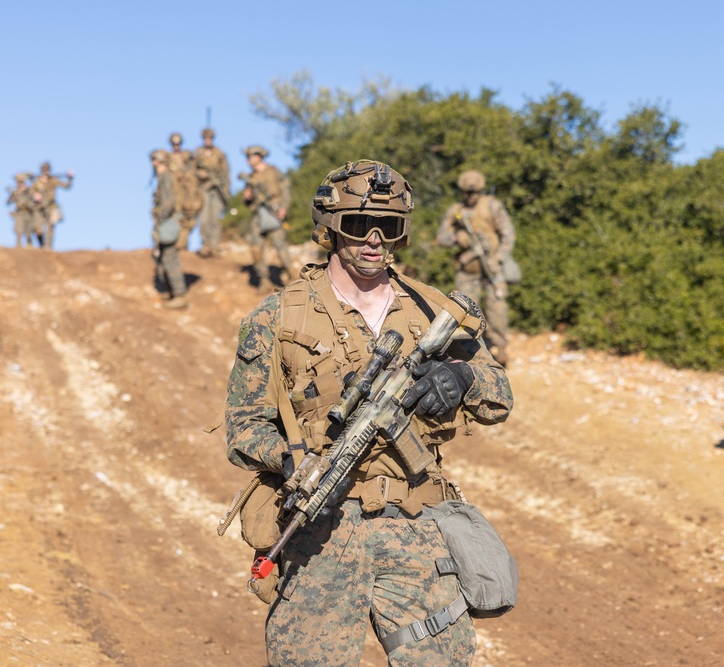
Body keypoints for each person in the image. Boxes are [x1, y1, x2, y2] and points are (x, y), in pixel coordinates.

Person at [225, 160, 513, 666]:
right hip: (320, 531)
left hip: (416, 522)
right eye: (359, 225)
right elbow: (243, 427)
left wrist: (462, 378)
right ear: (331, 228)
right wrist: (291, 461)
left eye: (389, 226)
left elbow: (499, 396)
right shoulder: (277, 316)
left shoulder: (432, 310)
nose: (373, 239)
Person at [436, 170, 516, 367]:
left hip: (491, 268)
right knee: (465, 311)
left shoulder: (492, 206)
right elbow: (442, 237)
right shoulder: (456, 210)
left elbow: (509, 235)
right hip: (467, 271)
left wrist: (497, 258)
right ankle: (467, 352)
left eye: (474, 192)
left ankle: (500, 348)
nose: (471, 196)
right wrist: (456, 238)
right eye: (467, 192)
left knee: (497, 309)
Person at [241, 145, 295, 290]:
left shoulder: (273, 171)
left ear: (258, 156)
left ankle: (291, 277)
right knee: (256, 248)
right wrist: (247, 197)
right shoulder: (250, 178)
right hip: (258, 215)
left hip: (274, 212)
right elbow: (248, 202)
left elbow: (285, 189)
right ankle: (263, 279)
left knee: (280, 246)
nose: (248, 160)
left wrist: (284, 207)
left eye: (250, 157)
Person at [150, 150, 188, 310]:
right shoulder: (169, 177)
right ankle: (174, 293)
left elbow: (168, 203)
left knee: (170, 257)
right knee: (165, 256)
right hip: (172, 221)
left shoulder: (166, 177)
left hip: (169, 222)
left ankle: (179, 295)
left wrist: (160, 218)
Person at [193, 127, 230, 257]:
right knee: (203, 219)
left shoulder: (219, 153)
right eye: (206, 138)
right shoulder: (197, 154)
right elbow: (191, 171)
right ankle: (205, 244)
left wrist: (226, 191)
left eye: (210, 138)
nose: (208, 141)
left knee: (215, 219)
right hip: (203, 190)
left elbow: (225, 173)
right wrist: (201, 174)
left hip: (217, 191)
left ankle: (214, 246)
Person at [167, 132, 204, 251]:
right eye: (174, 144)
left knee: (187, 221)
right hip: (172, 195)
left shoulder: (187, 158)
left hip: (186, 196)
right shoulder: (167, 159)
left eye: (178, 144)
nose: (176, 147)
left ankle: (182, 245)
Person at [30, 161, 73, 249]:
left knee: (50, 226)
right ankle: (41, 245)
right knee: (37, 229)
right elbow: (31, 192)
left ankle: (48, 246)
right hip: (40, 208)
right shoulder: (37, 182)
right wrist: (35, 195)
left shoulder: (53, 181)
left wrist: (70, 178)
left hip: (51, 206)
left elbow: (66, 186)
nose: (46, 172)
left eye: (47, 170)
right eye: (44, 170)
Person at [7, 173, 36, 247]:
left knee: (29, 231)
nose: (19, 184)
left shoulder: (29, 191)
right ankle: (18, 246)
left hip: (28, 212)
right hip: (19, 213)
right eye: (18, 182)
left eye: (21, 182)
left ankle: (30, 245)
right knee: (19, 230)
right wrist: (12, 194)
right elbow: (8, 201)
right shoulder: (16, 192)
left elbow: (34, 198)